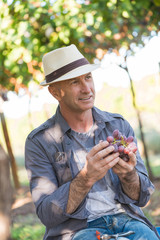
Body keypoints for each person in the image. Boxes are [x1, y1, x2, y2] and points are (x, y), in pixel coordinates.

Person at [25, 44, 160, 240]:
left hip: (127, 220)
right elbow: (47, 214)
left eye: (88, 77)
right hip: (77, 231)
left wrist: (129, 175)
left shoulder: (118, 125)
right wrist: (86, 177)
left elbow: (143, 197)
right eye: (74, 82)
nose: (87, 88)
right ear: (55, 92)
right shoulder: (39, 142)